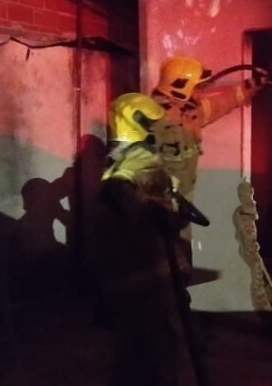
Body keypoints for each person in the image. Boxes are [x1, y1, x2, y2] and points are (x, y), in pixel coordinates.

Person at [90, 92, 195, 386]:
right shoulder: (141, 162)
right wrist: (173, 215)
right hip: (152, 274)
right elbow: (148, 211)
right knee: (163, 348)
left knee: (132, 348)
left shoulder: (118, 160)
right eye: (152, 123)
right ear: (138, 123)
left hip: (128, 275)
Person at [150, 56, 267, 282]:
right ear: (180, 87)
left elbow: (221, 103)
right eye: (196, 87)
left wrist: (251, 85)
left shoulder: (188, 113)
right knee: (161, 268)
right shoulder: (152, 119)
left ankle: (178, 292)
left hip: (181, 207)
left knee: (179, 267)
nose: (199, 92)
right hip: (158, 210)